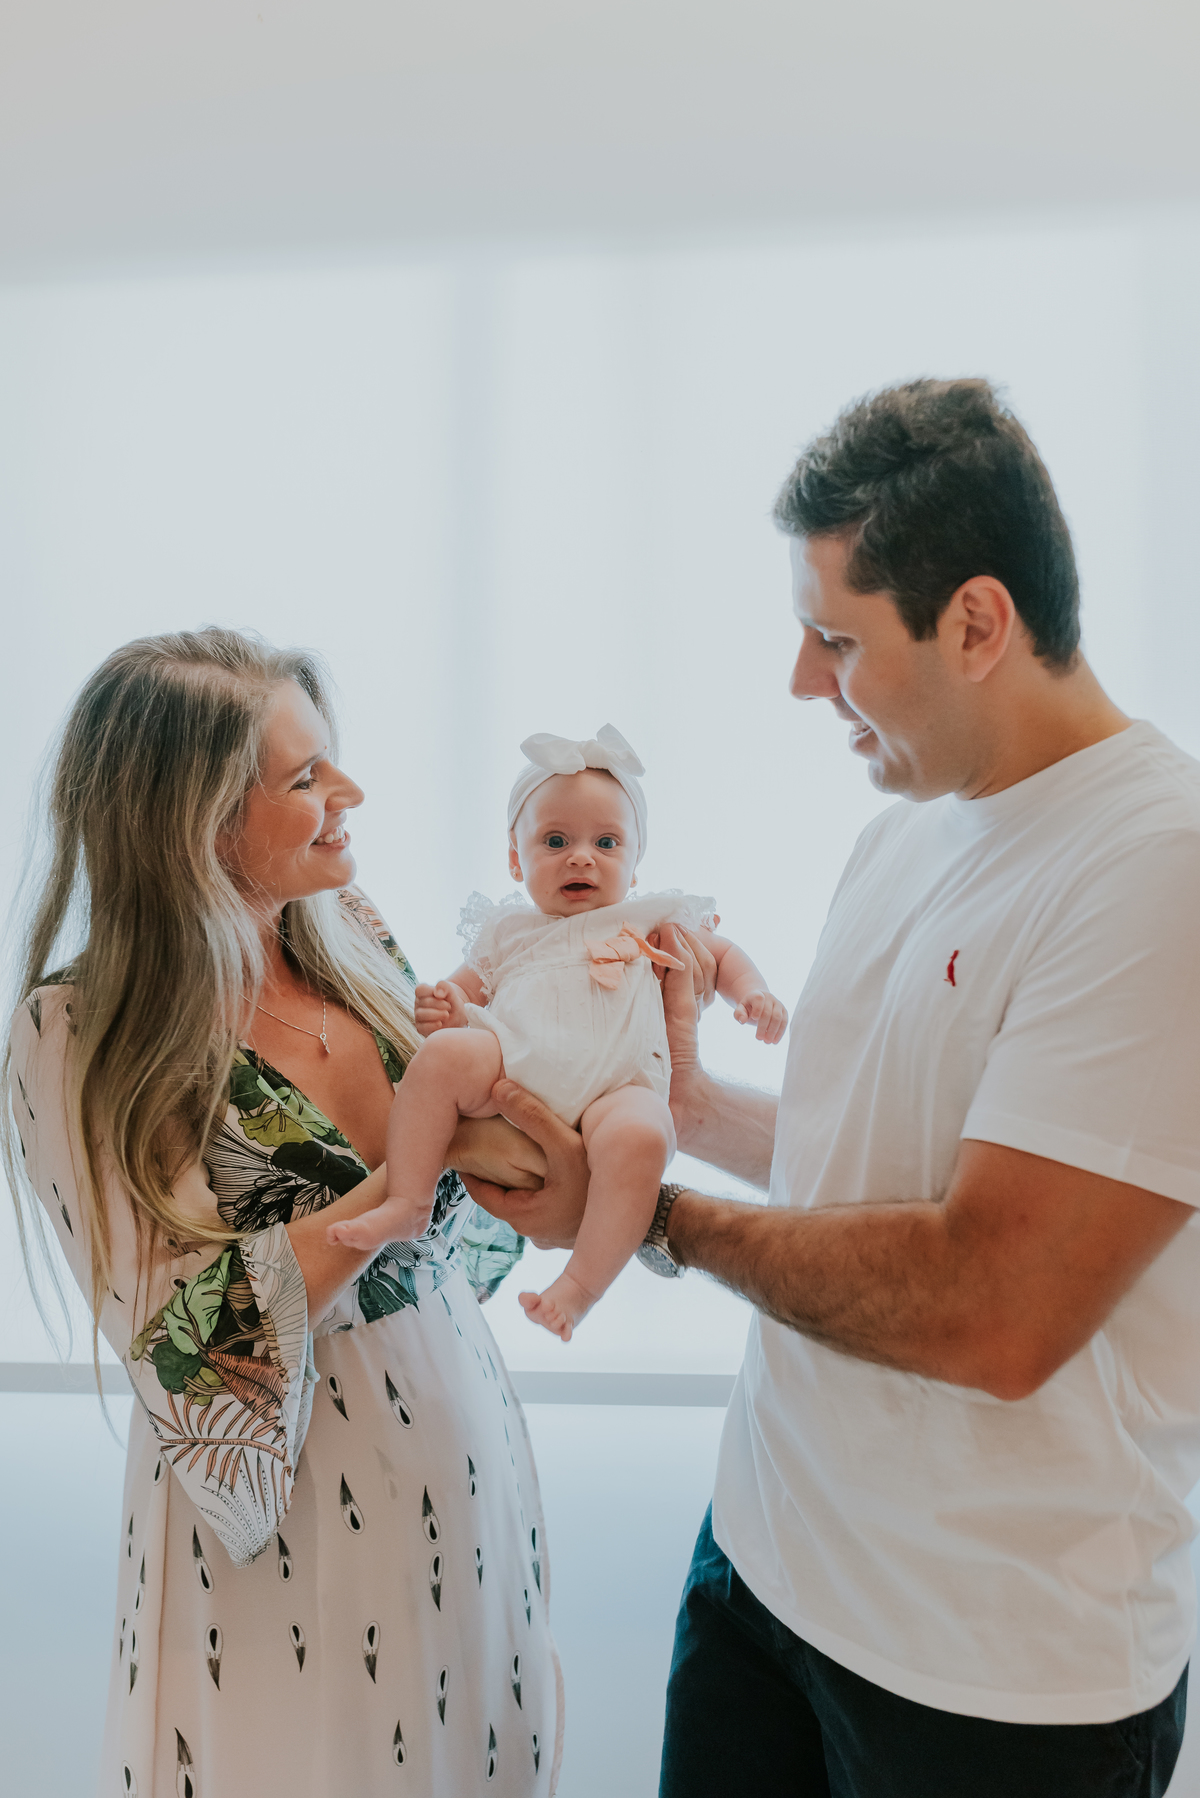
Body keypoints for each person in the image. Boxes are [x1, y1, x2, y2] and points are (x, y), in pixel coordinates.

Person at [492, 380, 1200, 1798]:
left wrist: (651, 1222)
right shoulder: (916, 824)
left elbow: (991, 1302)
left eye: (836, 640)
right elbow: (858, 1158)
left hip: (987, 1675)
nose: (804, 684)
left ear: (980, 623)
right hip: (762, 1567)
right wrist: (684, 1105)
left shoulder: (1154, 871)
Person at [3, 629, 593, 1797]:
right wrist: (405, 1182)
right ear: (192, 818)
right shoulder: (74, 1035)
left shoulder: (353, 939)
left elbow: (465, 1232)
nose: (349, 796)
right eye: (305, 778)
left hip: (462, 1482)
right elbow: (178, 1349)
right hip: (282, 1531)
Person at [329, 725, 787, 1341]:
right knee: (443, 1056)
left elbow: (723, 954)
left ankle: (580, 1286)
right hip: (512, 1069)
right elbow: (462, 989)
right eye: (555, 841)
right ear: (516, 859)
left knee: (645, 1135)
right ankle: (408, 1202)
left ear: (635, 860)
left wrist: (752, 993)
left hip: (617, 1088)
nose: (581, 856)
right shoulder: (507, 931)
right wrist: (443, 1004)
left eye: (606, 842)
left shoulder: (650, 918)